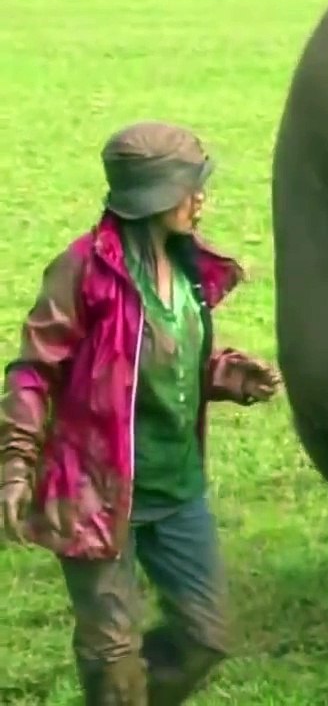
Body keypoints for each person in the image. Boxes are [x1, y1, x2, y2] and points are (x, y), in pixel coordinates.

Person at [0, 121, 282, 705]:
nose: (199, 198)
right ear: (150, 196)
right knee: (112, 658)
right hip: (96, 496)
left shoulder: (186, 266)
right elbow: (33, 371)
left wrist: (226, 374)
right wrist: (15, 464)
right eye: (186, 187)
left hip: (179, 489)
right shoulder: (81, 272)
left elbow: (159, 358)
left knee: (206, 638)